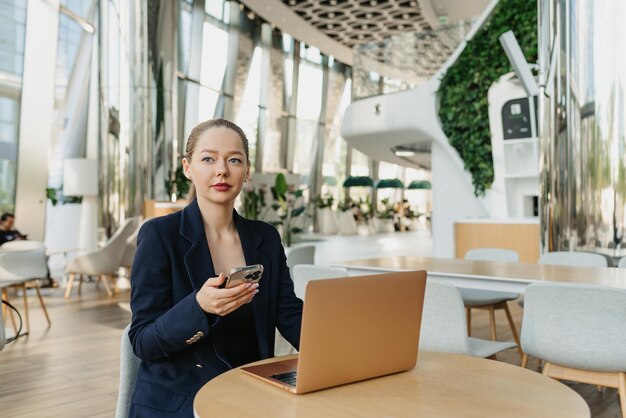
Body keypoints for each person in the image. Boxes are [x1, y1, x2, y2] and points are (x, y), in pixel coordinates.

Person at [128, 119, 303, 417]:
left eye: (234, 160)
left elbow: (288, 314)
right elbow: (143, 341)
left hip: (250, 393)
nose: (222, 170)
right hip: (181, 398)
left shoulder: (266, 238)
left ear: (246, 171)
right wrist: (199, 307)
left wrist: (340, 348)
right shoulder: (160, 236)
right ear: (187, 167)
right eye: (208, 159)